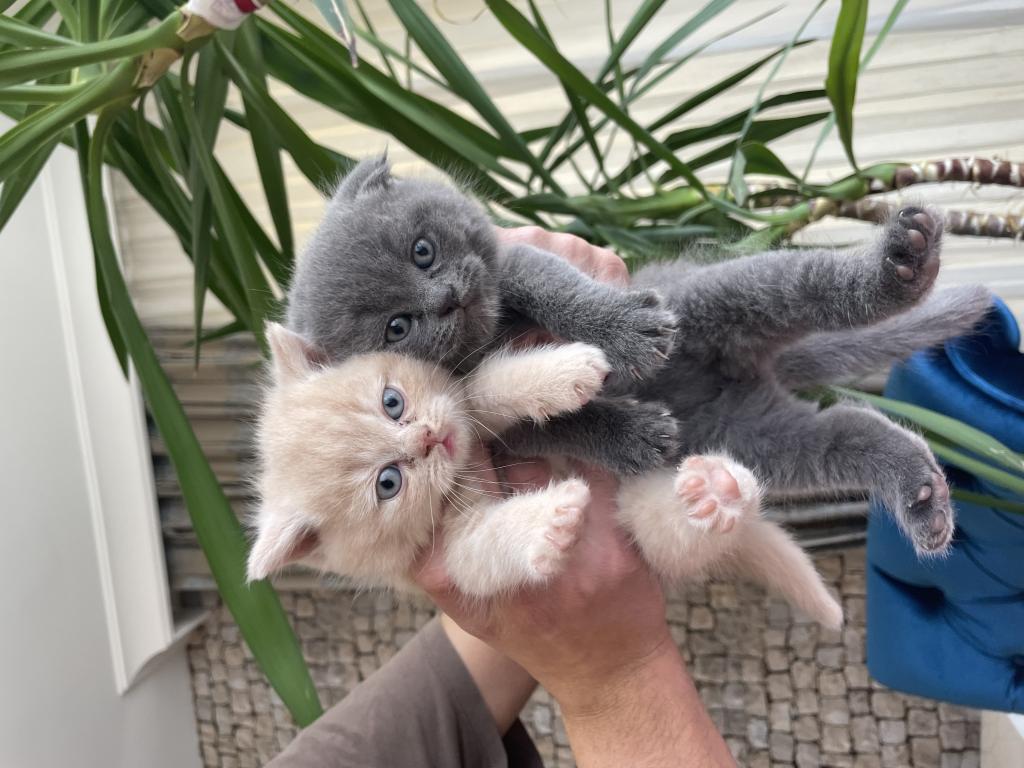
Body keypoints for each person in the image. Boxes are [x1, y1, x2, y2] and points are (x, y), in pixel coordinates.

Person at [267, 229, 734, 768]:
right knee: (684, 510)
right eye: (387, 483)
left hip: (651, 429)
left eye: (392, 404)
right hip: (659, 493)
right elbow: (474, 553)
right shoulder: (373, 527)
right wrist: (613, 667)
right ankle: (723, 498)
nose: (422, 438)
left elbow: (484, 398)